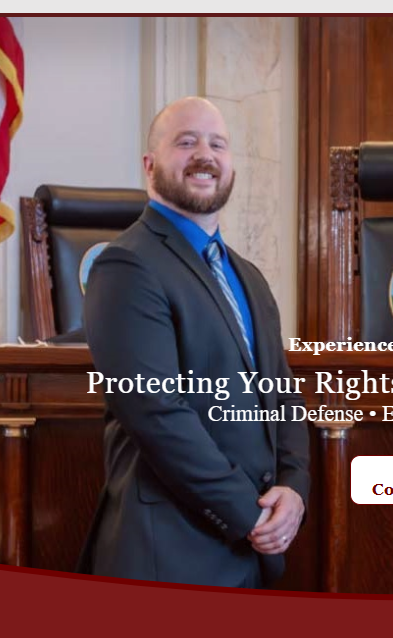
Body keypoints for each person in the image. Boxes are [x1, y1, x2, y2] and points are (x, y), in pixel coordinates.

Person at [76, 97, 310, 588]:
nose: (205, 154)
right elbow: (158, 414)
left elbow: (283, 396)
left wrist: (294, 488)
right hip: (172, 551)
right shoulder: (126, 266)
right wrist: (251, 515)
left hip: (252, 550)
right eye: (186, 142)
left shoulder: (248, 277)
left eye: (217, 144)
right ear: (149, 164)